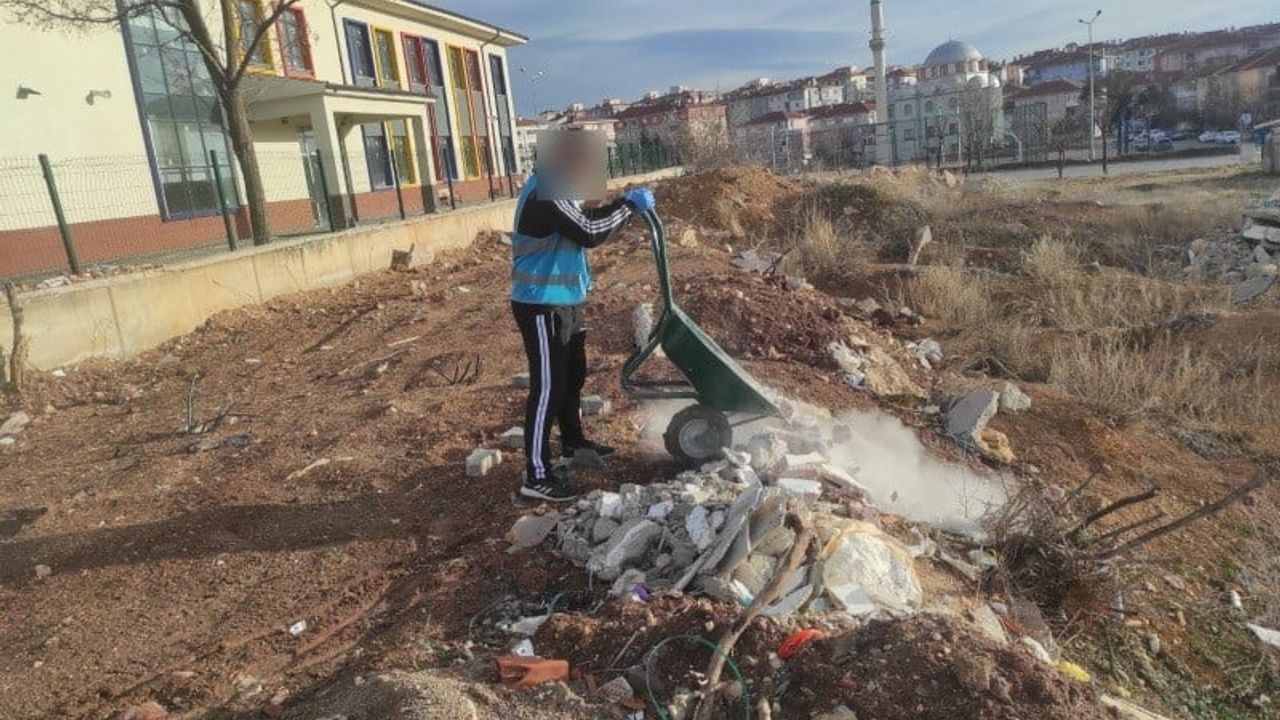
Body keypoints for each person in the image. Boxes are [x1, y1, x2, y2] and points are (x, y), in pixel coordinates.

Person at [510, 141, 656, 502]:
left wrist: (618, 206)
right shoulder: (548, 191)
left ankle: (572, 443)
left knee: (572, 375)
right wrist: (628, 207)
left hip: (566, 301)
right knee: (547, 389)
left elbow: (582, 222)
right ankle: (536, 474)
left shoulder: (560, 189)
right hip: (541, 304)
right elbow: (589, 233)